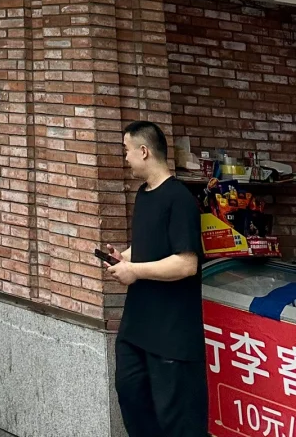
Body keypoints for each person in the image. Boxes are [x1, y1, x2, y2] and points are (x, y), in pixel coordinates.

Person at [105, 120, 207, 437]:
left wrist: (135, 271)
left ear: (144, 151)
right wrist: (126, 257)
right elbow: (149, 244)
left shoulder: (180, 199)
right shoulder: (143, 195)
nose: (125, 158)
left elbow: (186, 263)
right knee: (133, 401)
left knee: (176, 421)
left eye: (126, 150)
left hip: (171, 334)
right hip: (137, 327)